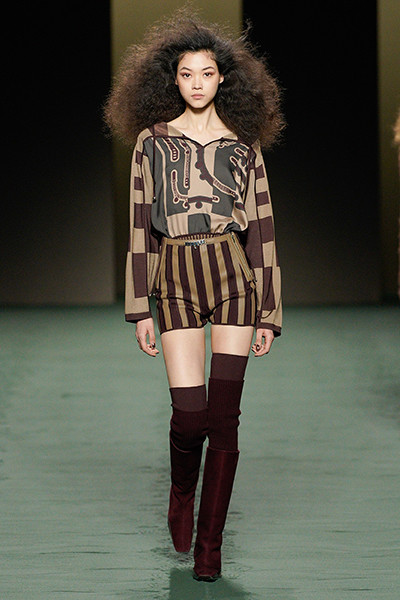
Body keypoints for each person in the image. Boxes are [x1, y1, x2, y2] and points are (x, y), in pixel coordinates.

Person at [104, 6, 285, 582]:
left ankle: (210, 547)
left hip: (234, 277)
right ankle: (182, 489)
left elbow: (262, 227)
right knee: (189, 418)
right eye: (187, 74)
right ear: (173, 80)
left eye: (207, 73)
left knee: (225, 418)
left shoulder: (244, 144)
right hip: (176, 278)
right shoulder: (152, 143)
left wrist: (269, 311)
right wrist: (140, 308)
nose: (198, 83)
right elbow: (140, 226)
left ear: (223, 78)